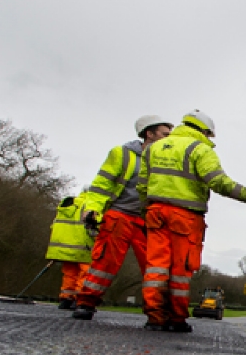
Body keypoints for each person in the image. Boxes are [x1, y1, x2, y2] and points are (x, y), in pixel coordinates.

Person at [136, 110, 246, 332]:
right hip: (185, 217)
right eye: (209, 135)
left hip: (156, 213)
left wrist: (147, 209)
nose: (210, 140)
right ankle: (176, 319)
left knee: (156, 267)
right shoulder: (199, 149)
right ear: (203, 130)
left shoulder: (154, 148)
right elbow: (219, 182)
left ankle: (154, 317)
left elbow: (142, 185)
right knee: (180, 270)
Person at [72, 115, 174, 320]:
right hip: (120, 215)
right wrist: (92, 209)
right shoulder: (122, 154)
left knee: (155, 268)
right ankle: (86, 303)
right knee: (105, 263)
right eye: (164, 134)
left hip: (148, 222)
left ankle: (157, 313)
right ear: (149, 133)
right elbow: (102, 185)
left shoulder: (168, 159)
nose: (168, 139)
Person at [45, 193, 95, 310]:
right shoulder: (90, 206)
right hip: (84, 247)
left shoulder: (68, 205)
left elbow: (56, 226)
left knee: (69, 274)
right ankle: (79, 299)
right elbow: (94, 229)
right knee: (85, 274)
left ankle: (66, 298)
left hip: (65, 248)